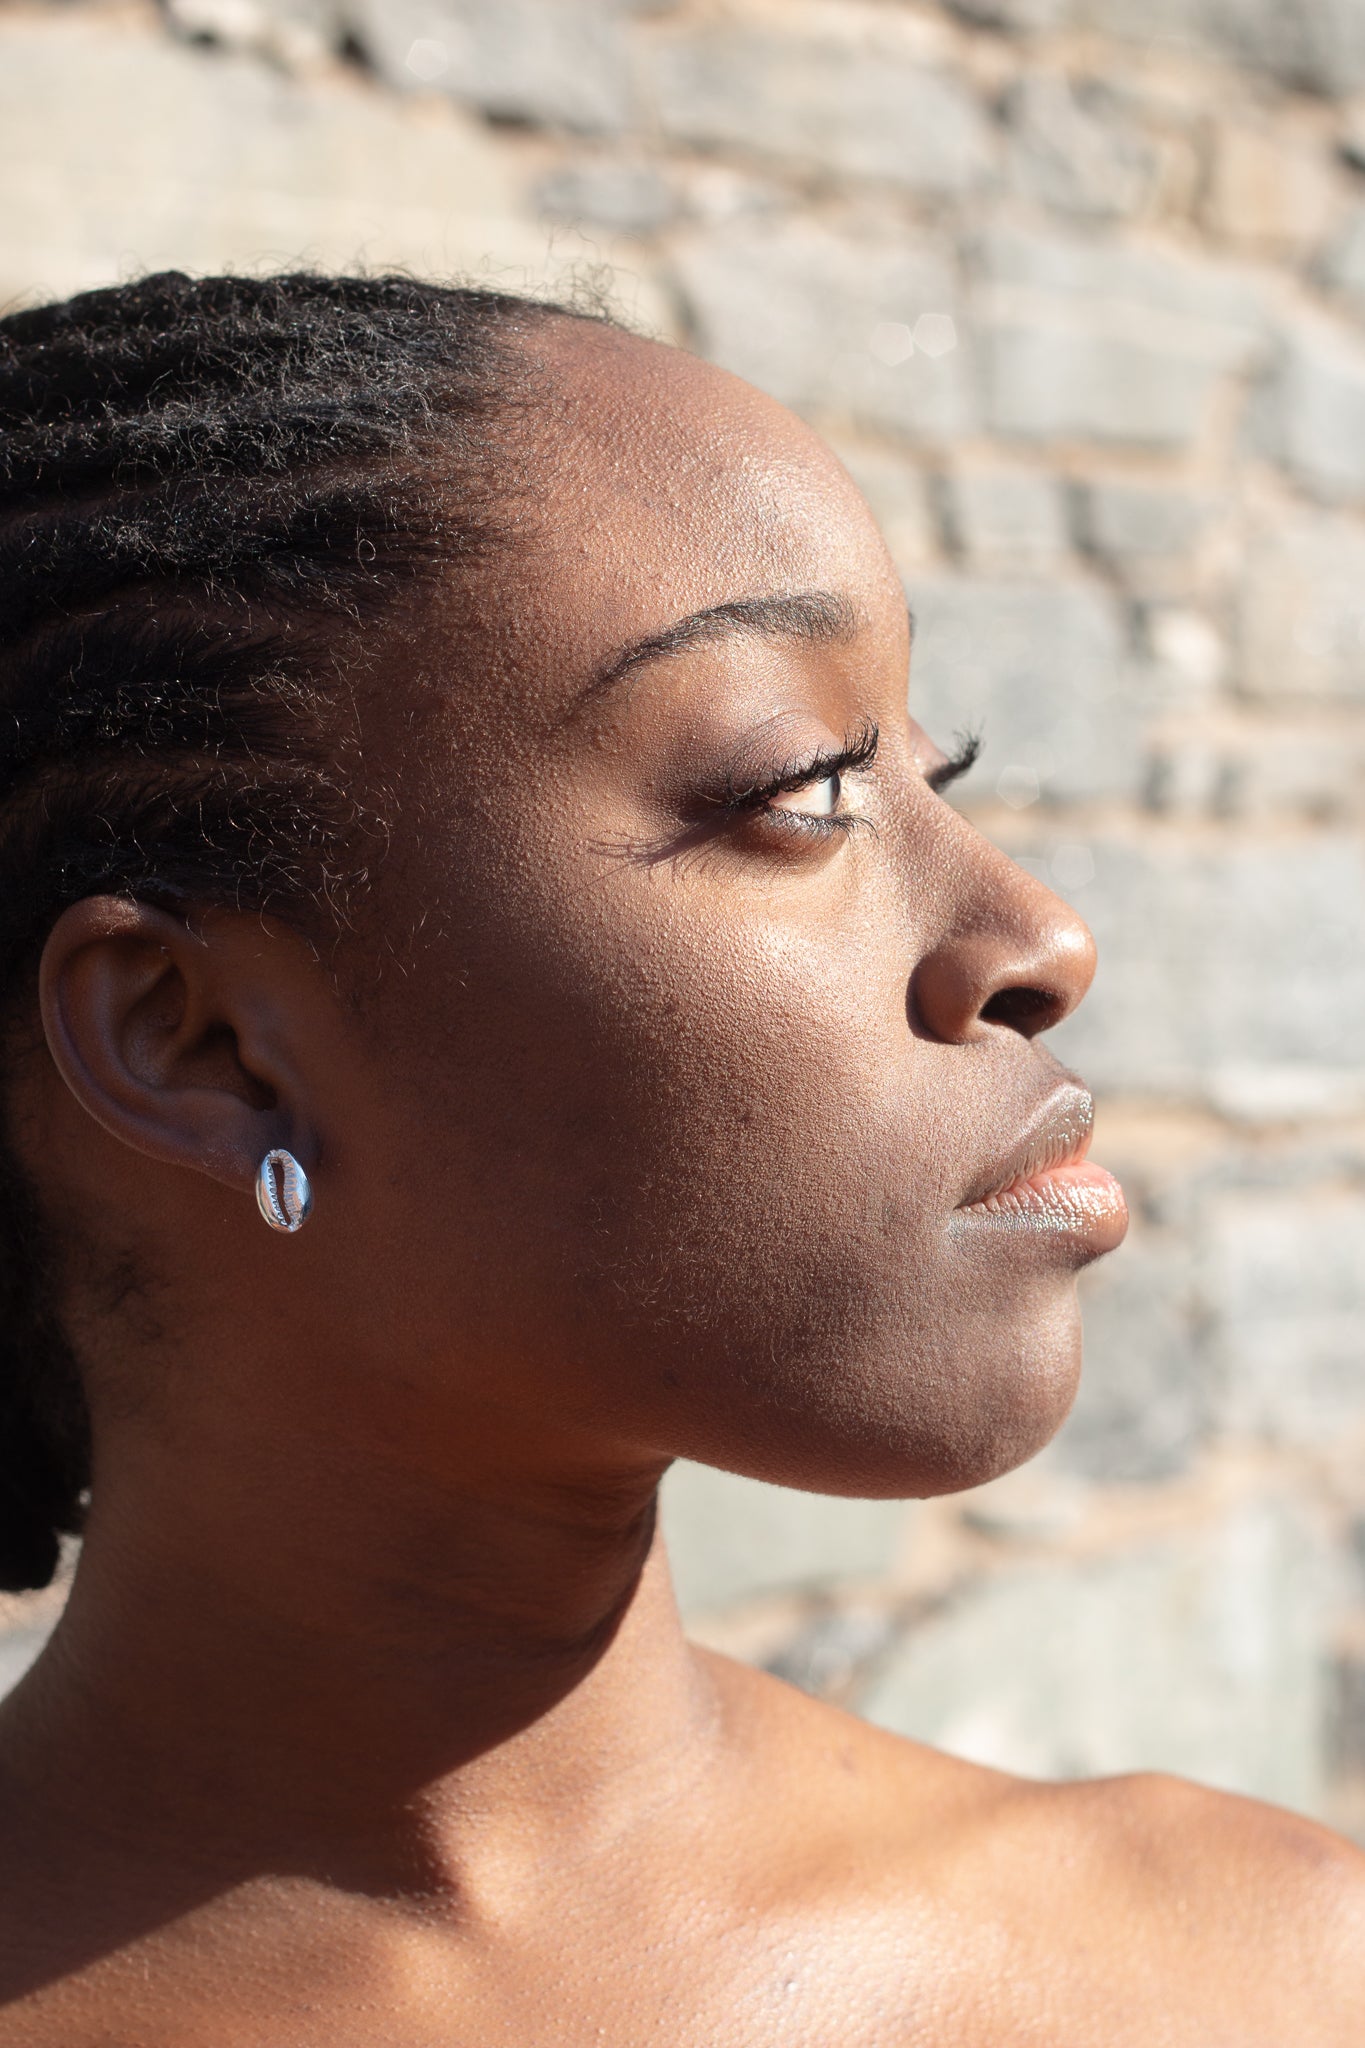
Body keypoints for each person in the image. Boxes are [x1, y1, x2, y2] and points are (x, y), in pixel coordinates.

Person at [0, 271, 1358, 2047]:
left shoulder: (1258, 1970)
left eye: (938, 771)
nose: (1037, 935)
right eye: (800, 785)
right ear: (201, 1041)